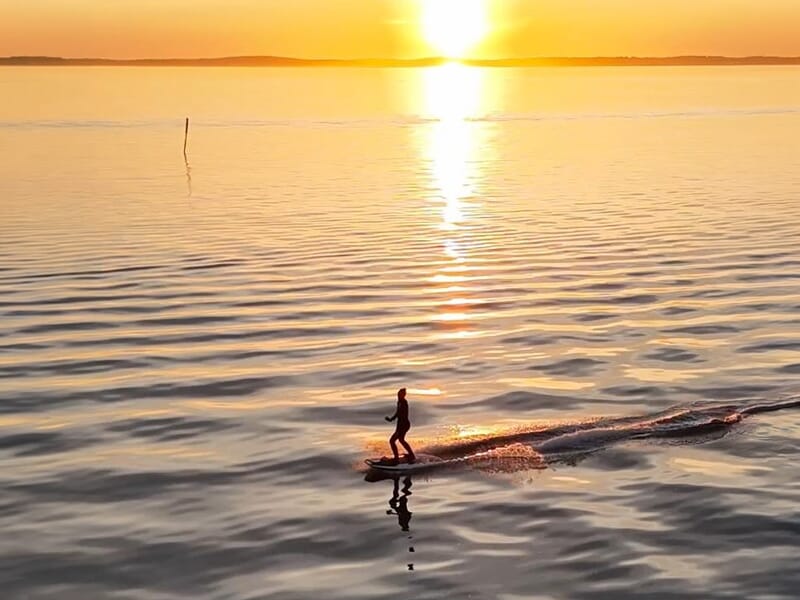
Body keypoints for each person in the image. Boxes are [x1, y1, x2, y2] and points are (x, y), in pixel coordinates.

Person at [385, 388, 416, 463]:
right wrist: (391, 419)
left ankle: (396, 459)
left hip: (403, 425)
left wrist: (398, 430)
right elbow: (397, 412)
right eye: (398, 394)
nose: (398, 395)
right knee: (401, 440)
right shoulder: (399, 402)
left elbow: (402, 415)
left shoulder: (404, 402)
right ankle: (411, 455)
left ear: (403, 395)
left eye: (400, 394)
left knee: (392, 441)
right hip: (401, 425)